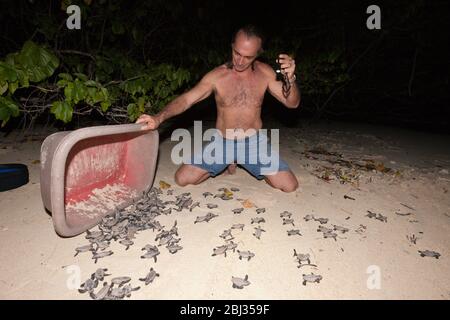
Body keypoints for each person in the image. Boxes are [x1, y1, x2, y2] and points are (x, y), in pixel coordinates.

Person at [137, 25, 300, 192]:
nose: (240, 61)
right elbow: (186, 100)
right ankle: (226, 161)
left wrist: (291, 79)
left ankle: (246, 162)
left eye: (247, 57)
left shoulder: (265, 73)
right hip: (223, 142)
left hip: (253, 143)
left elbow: (292, 103)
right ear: (232, 46)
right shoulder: (217, 76)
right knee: (183, 178)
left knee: (289, 185)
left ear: (258, 54)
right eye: (237, 53)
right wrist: (159, 117)